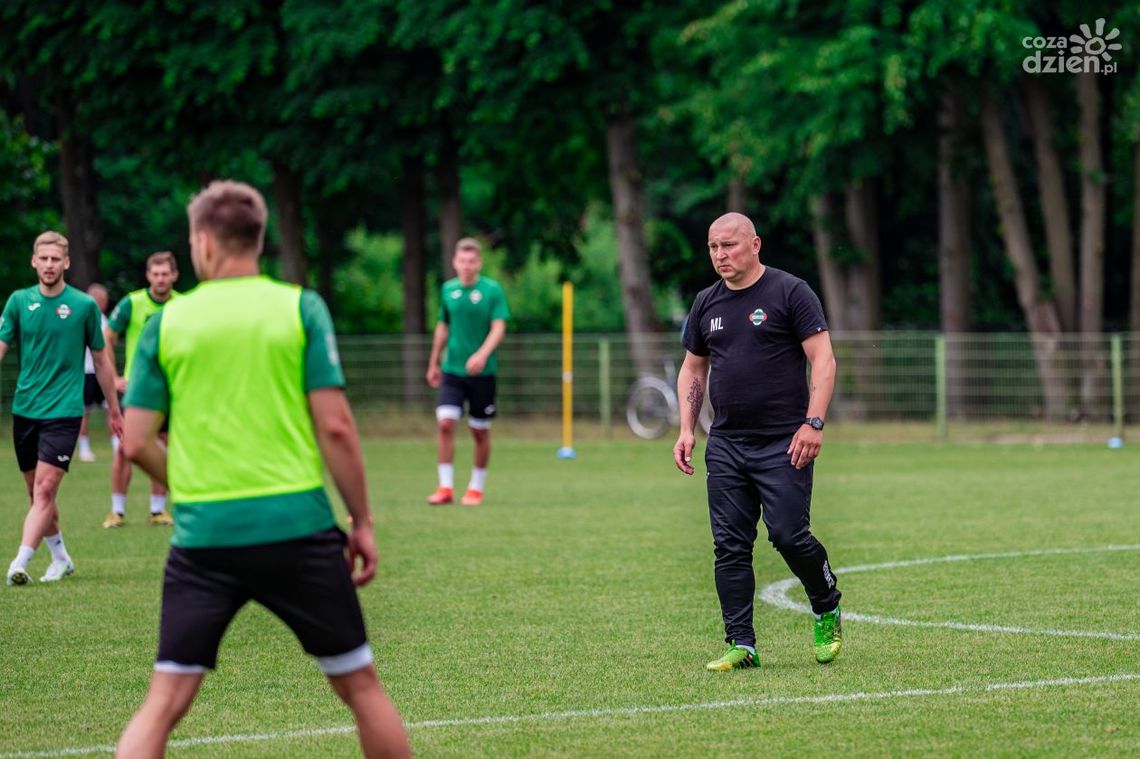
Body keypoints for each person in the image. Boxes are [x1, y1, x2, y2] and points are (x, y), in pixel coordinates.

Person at [115, 180, 410, 758]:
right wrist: (364, 521)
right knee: (360, 687)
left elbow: (135, 442)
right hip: (297, 527)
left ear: (202, 242)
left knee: (164, 703)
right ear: (258, 238)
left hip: (205, 538)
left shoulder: (166, 324)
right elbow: (337, 428)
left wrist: (193, 487)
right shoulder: (301, 307)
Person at [673, 212, 843, 670]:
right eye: (713, 247)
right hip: (726, 443)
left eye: (728, 245)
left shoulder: (790, 292)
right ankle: (741, 643)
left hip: (785, 443)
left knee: (789, 536)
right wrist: (687, 427)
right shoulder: (706, 303)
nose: (720, 255)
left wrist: (814, 422)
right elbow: (693, 368)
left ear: (755, 245)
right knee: (729, 545)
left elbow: (823, 360)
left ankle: (825, 600)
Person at [2, 232, 123, 586]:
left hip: (65, 411)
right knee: (36, 493)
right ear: (34, 261)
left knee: (44, 491)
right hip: (26, 409)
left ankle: (19, 562)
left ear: (66, 263)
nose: (50, 265)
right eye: (44, 258)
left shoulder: (84, 306)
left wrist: (114, 410)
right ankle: (61, 557)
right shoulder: (19, 302)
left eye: (56, 259)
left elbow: (101, 361)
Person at [424, 237, 510, 506]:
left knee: (479, 431)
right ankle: (445, 487)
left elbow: (499, 327)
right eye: (462, 260)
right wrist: (433, 362)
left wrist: (483, 354)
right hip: (452, 370)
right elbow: (442, 327)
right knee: (446, 423)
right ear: (454, 262)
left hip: (483, 373)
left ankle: (476, 487)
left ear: (479, 263)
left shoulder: (492, 290)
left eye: (472, 261)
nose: (466, 266)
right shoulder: (448, 290)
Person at [101, 251, 179, 528]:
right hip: (137, 390)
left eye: (165, 274)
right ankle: (117, 510)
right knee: (125, 448)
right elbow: (107, 337)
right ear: (148, 276)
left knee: (164, 446)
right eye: (155, 274)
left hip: (171, 389)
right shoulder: (132, 303)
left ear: (174, 276)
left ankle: (158, 510)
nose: (160, 279)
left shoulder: (183, 305)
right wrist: (115, 377)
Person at [77, 282, 111, 462]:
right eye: (100, 300)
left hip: (102, 372)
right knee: (85, 411)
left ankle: (116, 445)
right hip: (87, 372)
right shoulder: (81, 318)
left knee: (110, 407)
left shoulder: (104, 320)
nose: (103, 303)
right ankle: (84, 448)